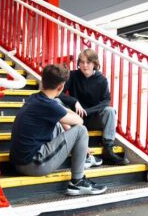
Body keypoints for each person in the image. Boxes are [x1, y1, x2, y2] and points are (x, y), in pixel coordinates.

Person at [9, 64, 107, 196]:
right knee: (81, 130)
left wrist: (58, 107)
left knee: (57, 120)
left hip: (19, 162)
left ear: (43, 81)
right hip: (33, 164)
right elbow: (79, 120)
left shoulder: (34, 98)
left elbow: (57, 114)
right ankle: (77, 182)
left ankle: (84, 155)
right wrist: (62, 108)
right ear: (61, 87)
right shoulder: (49, 105)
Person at [59, 49, 129, 165]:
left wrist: (87, 111)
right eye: (82, 62)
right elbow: (58, 93)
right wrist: (74, 101)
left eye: (88, 62)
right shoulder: (73, 75)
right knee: (56, 102)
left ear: (94, 64)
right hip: (74, 119)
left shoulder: (101, 80)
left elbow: (106, 101)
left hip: (92, 119)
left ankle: (108, 149)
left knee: (110, 111)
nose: (85, 65)